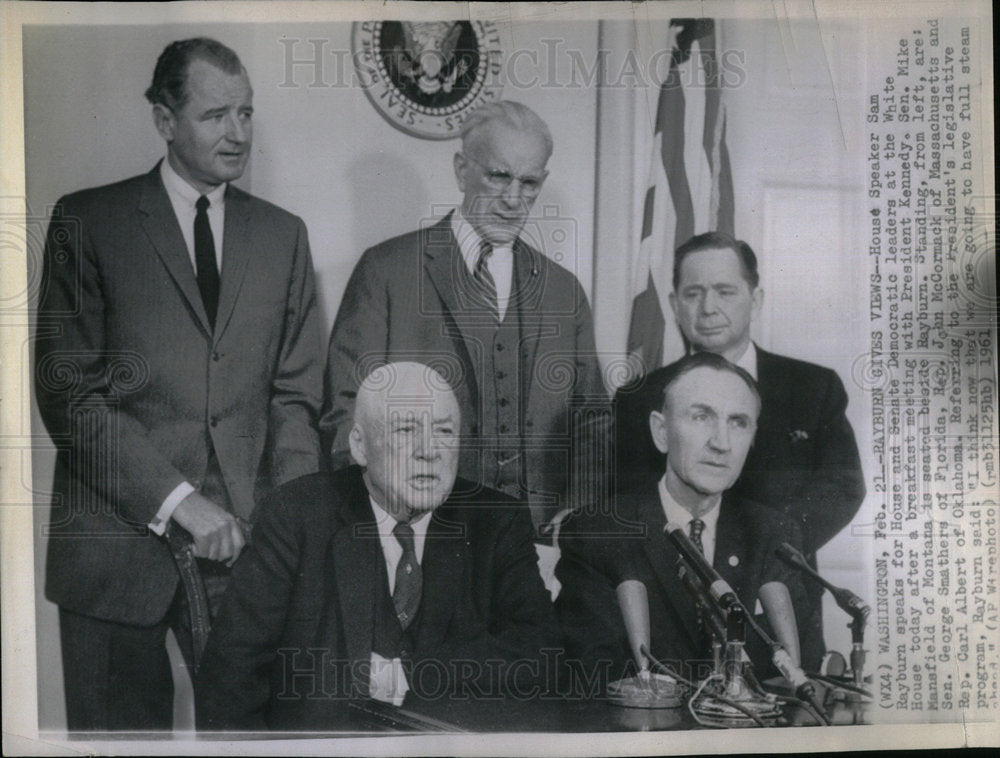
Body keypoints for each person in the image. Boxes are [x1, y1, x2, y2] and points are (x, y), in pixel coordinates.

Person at [34, 38, 323, 730]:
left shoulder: (283, 236)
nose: (239, 133)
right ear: (164, 120)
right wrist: (180, 502)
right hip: (113, 555)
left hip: (244, 554)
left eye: (248, 113)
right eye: (216, 115)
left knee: (258, 740)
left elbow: (297, 397)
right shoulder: (89, 221)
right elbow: (70, 395)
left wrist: (284, 529)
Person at [195, 362, 560, 730]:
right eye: (405, 430)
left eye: (445, 431)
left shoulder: (496, 519)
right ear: (359, 445)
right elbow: (232, 673)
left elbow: (543, 652)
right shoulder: (295, 515)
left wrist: (410, 675)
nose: (429, 451)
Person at [321, 100, 608, 534]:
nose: (513, 200)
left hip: (538, 546)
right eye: (499, 176)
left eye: (529, 183)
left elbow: (592, 421)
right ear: (461, 170)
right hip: (417, 537)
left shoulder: (563, 291)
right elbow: (346, 415)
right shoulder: (386, 271)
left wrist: (577, 512)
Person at [612, 231, 865, 667]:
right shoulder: (641, 397)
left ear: (756, 297)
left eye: (725, 291)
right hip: (673, 606)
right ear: (673, 304)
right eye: (693, 293)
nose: (708, 308)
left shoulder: (812, 387)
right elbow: (629, 500)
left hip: (783, 598)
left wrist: (771, 543)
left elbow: (843, 487)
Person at [556, 352, 810, 687]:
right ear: (661, 432)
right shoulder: (599, 532)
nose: (721, 444)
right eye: (701, 417)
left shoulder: (774, 534)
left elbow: (798, 670)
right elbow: (592, 673)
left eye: (738, 423)